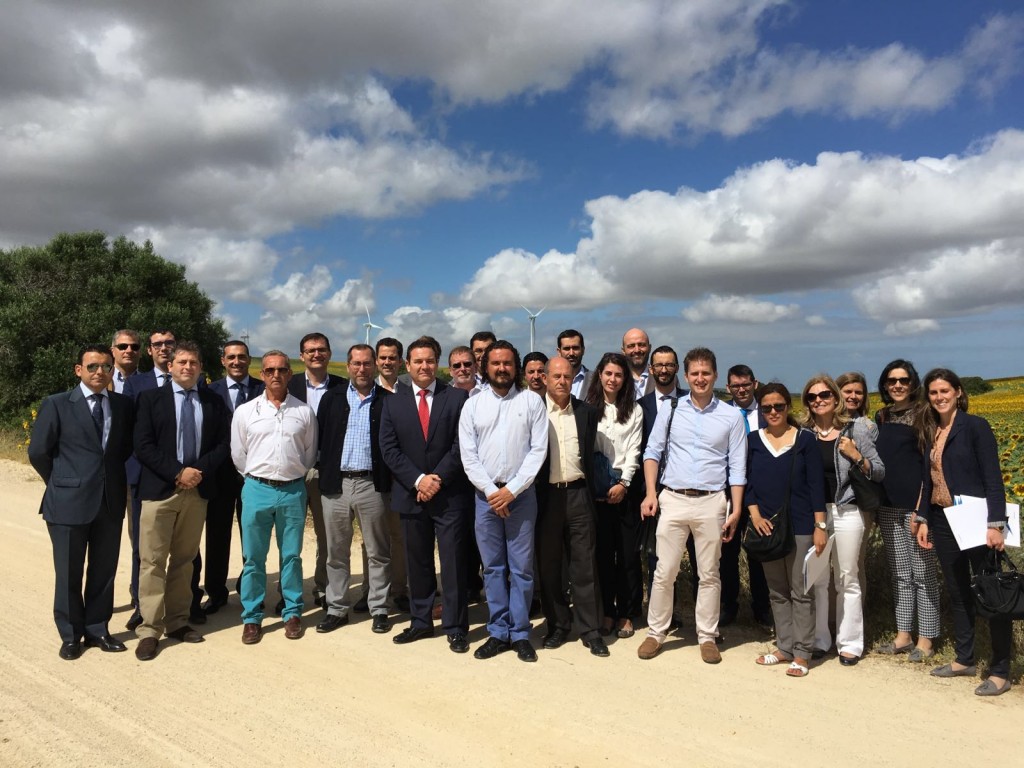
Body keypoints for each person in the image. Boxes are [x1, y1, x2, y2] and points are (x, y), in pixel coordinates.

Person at [638, 347, 746, 664]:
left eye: (706, 373)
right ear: (686, 376)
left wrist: (735, 508)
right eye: (695, 373)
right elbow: (652, 453)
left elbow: (737, 467)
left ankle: (707, 636)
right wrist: (650, 493)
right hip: (673, 498)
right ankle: (656, 633)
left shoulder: (730, 416)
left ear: (714, 375)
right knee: (664, 570)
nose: (700, 379)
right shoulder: (670, 410)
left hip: (713, 501)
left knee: (710, 573)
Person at [29, 344, 135, 660]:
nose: (99, 372)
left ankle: (98, 629)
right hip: (67, 502)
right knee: (69, 573)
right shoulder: (57, 404)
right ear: (79, 370)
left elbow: (123, 450)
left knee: (104, 571)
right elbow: (38, 452)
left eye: (105, 366)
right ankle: (71, 635)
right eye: (92, 366)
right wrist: (62, 482)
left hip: (109, 501)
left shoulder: (123, 405)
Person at [915, 368, 1013, 696]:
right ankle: (964, 658)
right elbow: (929, 481)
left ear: (958, 392)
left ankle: (1001, 669)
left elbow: (993, 478)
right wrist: (925, 519)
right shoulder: (931, 430)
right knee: (958, 591)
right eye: (933, 393)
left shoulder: (975, 427)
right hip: (943, 520)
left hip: (975, 519)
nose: (940, 397)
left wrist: (995, 524)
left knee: (991, 593)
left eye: (945, 391)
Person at [132, 341, 231, 660]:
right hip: (160, 491)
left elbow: (223, 444)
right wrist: (177, 472)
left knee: (185, 560)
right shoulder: (149, 399)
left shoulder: (213, 402)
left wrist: (197, 472)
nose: (188, 367)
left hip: (197, 491)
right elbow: (143, 445)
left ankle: (177, 622)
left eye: (194, 362)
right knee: (152, 561)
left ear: (201, 368)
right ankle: (149, 628)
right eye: (182, 362)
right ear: (170, 366)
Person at [379, 336, 474, 652]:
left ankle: (457, 627)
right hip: (411, 494)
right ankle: (420, 622)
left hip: (449, 496)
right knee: (417, 562)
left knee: (453, 564)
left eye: (430, 360)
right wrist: (419, 480)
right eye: (417, 361)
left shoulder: (457, 398)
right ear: (408, 365)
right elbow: (389, 449)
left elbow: (463, 447)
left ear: (439, 364)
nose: (424, 366)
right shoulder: (393, 402)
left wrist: (437, 480)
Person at [459, 341, 547, 662]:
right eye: (495, 363)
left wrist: (512, 490)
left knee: (522, 569)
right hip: (486, 498)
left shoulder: (532, 402)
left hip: (522, 498)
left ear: (516, 367)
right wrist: (492, 492)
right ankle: (498, 631)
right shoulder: (473, 405)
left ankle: (521, 632)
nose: (501, 369)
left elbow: (538, 451)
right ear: (487, 367)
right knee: (493, 568)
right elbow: (468, 455)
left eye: (507, 363)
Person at [231, 351, 318, 644]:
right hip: (256, 488)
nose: (276, 375)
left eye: (282, 370)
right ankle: (252, 616)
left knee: (291, 555)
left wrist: (291, 474)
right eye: (270, 370)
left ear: (290, 373)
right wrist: (258, 478)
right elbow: (238, 454)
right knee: (253, 557)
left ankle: (292, 611)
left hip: (293, 489)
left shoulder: (304, 412)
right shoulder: (245, 411)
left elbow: (308, 453)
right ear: (261, 374)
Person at [745, 383, 827, 678]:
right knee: (777, 591)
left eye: (779, 406)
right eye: (767, 407)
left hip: (802, 525)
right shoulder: (754, 440)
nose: (773, 412)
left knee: (801, 590)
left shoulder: (805, 440)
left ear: (787, 407)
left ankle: (803, 653)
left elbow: (817, 485)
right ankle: (784, 647)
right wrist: (754, 516)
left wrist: (820, 526)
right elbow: (748, 484)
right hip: (766, 526)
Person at [801, 374, 884, 666]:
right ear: (807, 403)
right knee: (819, 578)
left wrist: (856, 455)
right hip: (815, 514)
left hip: (847, 510)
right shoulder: (804, 434)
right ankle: (821, 640)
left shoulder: (855, 430)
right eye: (812, 397)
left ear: (835, 398)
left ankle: (849, 643)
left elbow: (879, 471)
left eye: (824, 395)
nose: (819, 400)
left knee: (847, 577)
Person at [316, 344, 394, 635]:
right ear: (347, 367)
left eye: (367, 364)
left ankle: (379, 608)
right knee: (336, 551)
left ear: (374, 366)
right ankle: (337, 608)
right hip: (336, 485)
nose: (362, 369)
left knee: (378, 550)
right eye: (356, 364)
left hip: (372, 484)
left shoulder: (388, 401)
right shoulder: (331, 399)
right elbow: (320, 439)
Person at [535, 356, 607, 656]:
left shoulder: (587, 412)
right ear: (546, 379)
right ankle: (558, 626)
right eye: (556, 376)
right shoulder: (534, 411)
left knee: (584, 565)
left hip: (579, 494)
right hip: (546, 497)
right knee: (550, 566)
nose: (562, 381)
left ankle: (590, 630)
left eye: (567, 376)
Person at [873, 360, 939, 661]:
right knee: (900, 573)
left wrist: (922, 509)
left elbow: (929, 465)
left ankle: (926, 640)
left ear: (913, 383)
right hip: (888, 505)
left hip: (916, 507)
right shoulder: (882, 415)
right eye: (891, 381)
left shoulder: (925, 414)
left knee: (923, 573)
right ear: (885, 385)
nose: (897, 385)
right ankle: (903, 635)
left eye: (903, 380)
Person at [201, 340, 264, 615]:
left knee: (253, 535)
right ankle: (216, 591)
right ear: (223, 361)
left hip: (254, 474)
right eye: (231, 357)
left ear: (249, 360)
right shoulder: (208, 390)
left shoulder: (263, 390)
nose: (236, 361)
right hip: (218, 475)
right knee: (217, 534)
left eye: (241, 357)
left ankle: (251, 588)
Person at [585, 352, 643, 639]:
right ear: (600, 375)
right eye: (608, 373)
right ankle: (607, 611)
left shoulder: (634, 410)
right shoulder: (586, 408)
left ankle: (627, 614)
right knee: (604, 557)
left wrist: (624, 483)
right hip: (596, 493)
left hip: (624, 491)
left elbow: (634, 451)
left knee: (629, 557)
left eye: (618, 375)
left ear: (625, 379)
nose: (613, 379)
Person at [287, 332, 345, 610]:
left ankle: (322, 587)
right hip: (293, 471)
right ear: (302, 356)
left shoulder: (343, 387)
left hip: (327, 471)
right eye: (310, 350)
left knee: (327, 536)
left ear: (329, 353)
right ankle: (290, 593)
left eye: (321, 350)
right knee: (290, 536)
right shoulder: (288, 384)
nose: (316, 354)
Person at [717, 363, 772, 629]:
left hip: (760, 490)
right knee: (726, 552)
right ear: (728, 388)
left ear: (755, 384)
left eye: (745, 384)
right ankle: (728, 606)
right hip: (727, 491)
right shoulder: (720, 412)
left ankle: (762, 609)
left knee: (759, 553)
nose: (741, 389)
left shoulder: (769, 411)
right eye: (735, 386)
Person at [555, 329, 592, 398]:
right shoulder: (549, 381)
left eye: (575, 348)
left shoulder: (595, 380)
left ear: (583, 350)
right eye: (567, 348)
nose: (571, 353)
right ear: (559, 352)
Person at [621, 328, 654, 399]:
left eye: (641, 345)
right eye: (631, 346)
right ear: (623, 351)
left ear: (650, 348)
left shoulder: (664, 377)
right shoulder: (615, 379)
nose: (637, 350)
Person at [109, 329, 141, 394]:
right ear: (112, 351)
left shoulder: (149, 382)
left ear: (140, 352)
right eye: (123, 347)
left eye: (134, 347)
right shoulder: (102, 380)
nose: (129, 351)